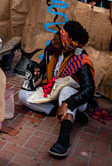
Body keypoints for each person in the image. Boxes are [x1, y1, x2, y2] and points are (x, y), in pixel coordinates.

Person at [18, 21, 95, 158]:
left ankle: (63, 141)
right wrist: (39, 70)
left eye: (58, 43)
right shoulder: (51, 49)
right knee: (23, 95)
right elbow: (45, 65)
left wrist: (68, 103)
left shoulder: (79, 60)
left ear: (68, 45)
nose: (54, 43)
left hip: (75, 98)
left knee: (65, 91)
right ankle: (69, 115)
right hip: (52, 91)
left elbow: (89, 90)